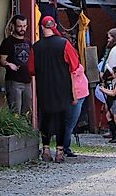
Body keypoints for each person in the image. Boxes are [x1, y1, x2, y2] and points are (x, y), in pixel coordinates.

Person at [27, 16, 80, 163]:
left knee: (46, 118)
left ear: (42, 28)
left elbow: (31, 69)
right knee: (62, 119)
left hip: (44, 86)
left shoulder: (36, 47)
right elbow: (74, 65)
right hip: (62, 87)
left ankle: (45, 149)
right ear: (54, 26)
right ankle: (59, 152)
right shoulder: (64, 44)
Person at [0, 14, 32, 116]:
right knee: (15, 111)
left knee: (27, 111)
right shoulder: (7, 42)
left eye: (24, 26)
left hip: (27, 81)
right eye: (19, 26)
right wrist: (9, 64)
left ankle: (26, 131)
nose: (22, 29)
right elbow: (2, 60)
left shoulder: (28, 42)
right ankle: (15, 132)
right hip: (14, 81)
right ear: (13, 26)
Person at [62, 62, 89, 157]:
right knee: (70, 123)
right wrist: (74, 96)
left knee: (71, 123)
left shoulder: (75, 63)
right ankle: (65, 147)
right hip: (76, 96)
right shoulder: (70, 66)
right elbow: (71, 79)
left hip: (81, 95)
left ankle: (65, 146)